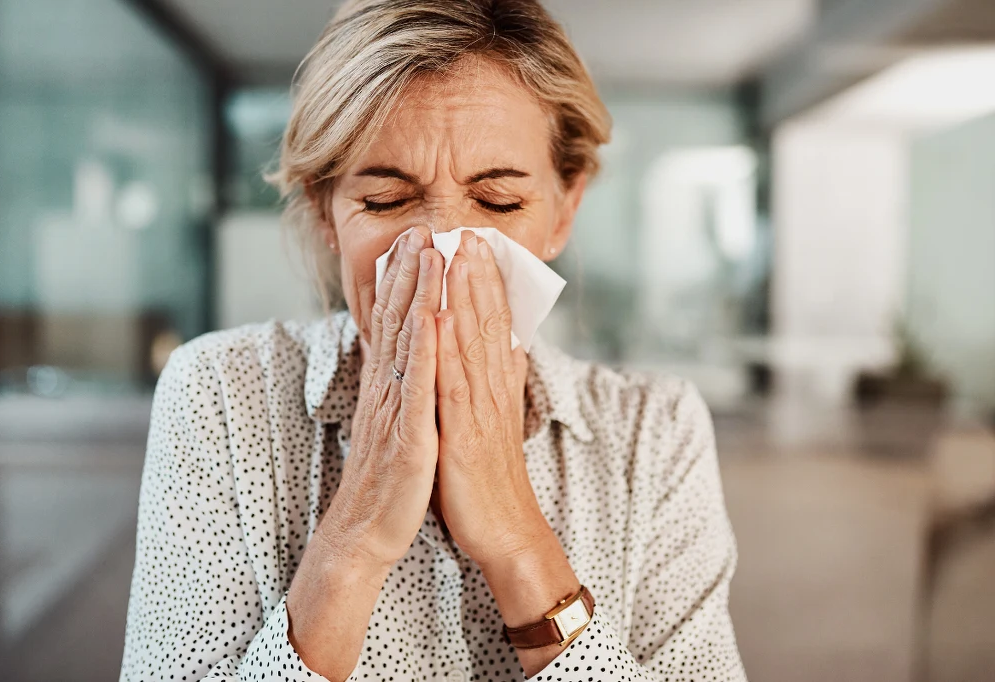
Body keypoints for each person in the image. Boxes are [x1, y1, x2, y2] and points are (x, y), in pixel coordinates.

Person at [119, 1, 746, 680]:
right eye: (385, 201)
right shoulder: (221, 394)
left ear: (565, 208)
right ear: (326, 211)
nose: (442, 254)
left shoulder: (654, 432)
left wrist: (514, 538)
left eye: (499, 202)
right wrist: (355, 535)